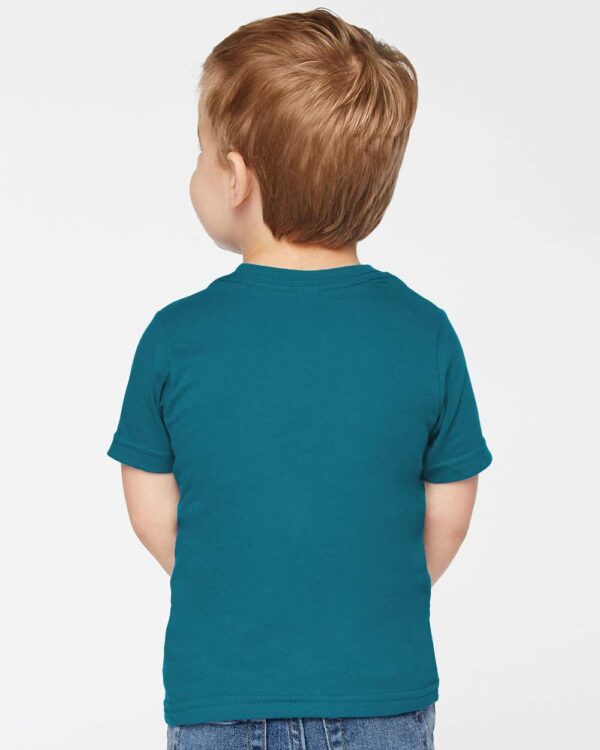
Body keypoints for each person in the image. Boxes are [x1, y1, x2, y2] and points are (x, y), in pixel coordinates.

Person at [106, 8, 493, 750]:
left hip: (221, 691)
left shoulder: (176, 336)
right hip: (382, 690)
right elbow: (449, 510)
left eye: (200, 152)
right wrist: (368, 589)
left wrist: (232, 581)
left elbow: (151, 506)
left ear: (235, 178)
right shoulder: (425, 333)